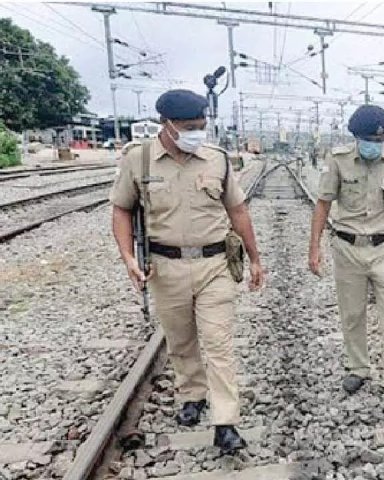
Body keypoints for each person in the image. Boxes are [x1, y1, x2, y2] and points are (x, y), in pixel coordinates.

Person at [109, 89, 265, 453]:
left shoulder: (217, 159)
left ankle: (225, 422)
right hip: (165, 267)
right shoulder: (139, 160)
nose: (197, 133)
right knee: (180, 340)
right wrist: (128, 257)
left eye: (201, 126)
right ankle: (192, 395)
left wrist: (255, 258)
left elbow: (238, 211)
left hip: (214, 264)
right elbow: (121, 209)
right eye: (189, 127)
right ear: (166, 124)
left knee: (218, 343)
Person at [308, 104, 384, 408]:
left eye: (379, 140)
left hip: (383, 249)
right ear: (356, 137)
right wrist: (314, 248)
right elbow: (323, 203)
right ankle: (358, 368)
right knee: (352, 314)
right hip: (347, 248)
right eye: (368, 140)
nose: (373, 145)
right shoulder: (338, 160)